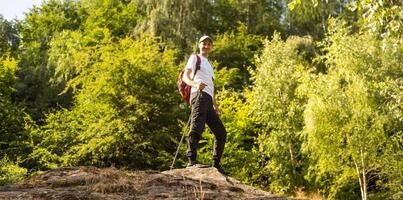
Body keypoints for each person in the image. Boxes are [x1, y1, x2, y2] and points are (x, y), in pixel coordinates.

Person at [182, 35, 227, 174]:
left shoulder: (210, 65)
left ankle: (216, 164)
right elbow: (185, 77)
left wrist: (215, 105)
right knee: (197, 126)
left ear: (211, 47)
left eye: (209, 44)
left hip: (208, 99)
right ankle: (191, 160)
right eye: (204, 43)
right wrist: (196, 84)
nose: (206, 46)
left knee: (221, 132)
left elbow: (211, 86)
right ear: (199, 45)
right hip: (198, 95)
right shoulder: (195, 58)